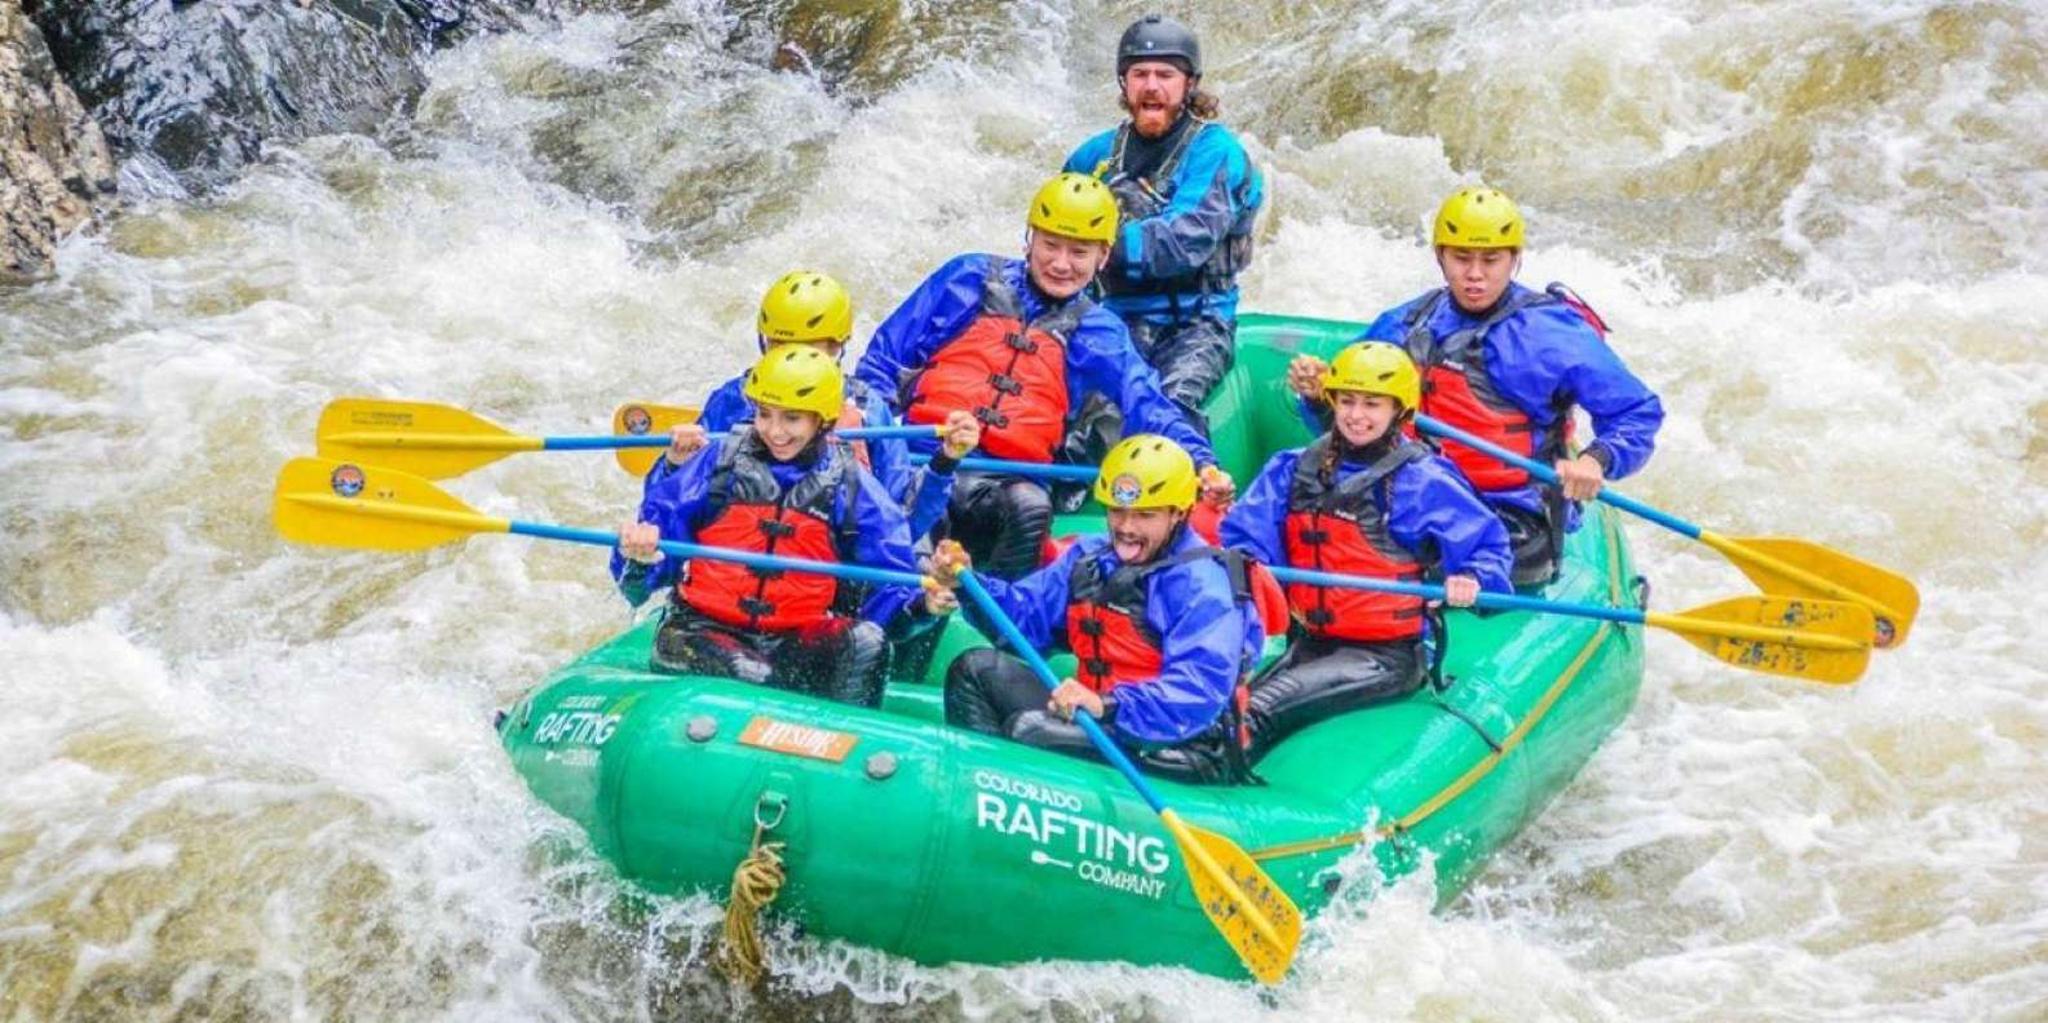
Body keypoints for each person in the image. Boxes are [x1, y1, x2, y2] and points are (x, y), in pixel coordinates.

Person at [855, 172, 1232, 580]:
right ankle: (910, 600)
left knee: (1031, 507)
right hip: (923, 459)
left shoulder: (1097, 331)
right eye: (1050, 245)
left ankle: (1000, 625)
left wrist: (1201, 462)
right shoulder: (967, 278)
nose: (1061, 263)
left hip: (1009, 482)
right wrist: (867, 434)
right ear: (1029, 238)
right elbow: (882, 363)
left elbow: (1146, 404)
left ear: (1102, 257)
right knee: (911, 508)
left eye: (1079, 252)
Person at [1288, 186, 1663, 587]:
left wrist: (1597, 459)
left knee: (1400, 563)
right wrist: (1318, 399)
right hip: (1415, 499)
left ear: (1515, 259)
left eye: (1491, 259)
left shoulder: (1551, 334)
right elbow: (1350, 432)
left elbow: (1637, 412)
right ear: (1440, 257)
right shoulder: (1405, 324)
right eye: (1461, 258)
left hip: (1509, 516)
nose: (1475, 274)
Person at [612, 346, 955, 708]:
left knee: (866, 642)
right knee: (750, 672)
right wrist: (641, 555)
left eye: (791, 419)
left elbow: (890, 574)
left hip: (795, 637)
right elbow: (656, 538)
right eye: (764, 414)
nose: (774, 431)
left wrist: (923, 604)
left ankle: (838, 749)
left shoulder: (850, 483)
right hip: (701, 630)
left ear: (821, 420)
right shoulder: (720, 463)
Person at [1225, 342, 1514, 758]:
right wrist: (1247, 572)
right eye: (1347, 401)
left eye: (1372, 404)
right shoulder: (1292, 467)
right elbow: (1244, 540)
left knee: (1259, 710)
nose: (1356, 416)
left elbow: (1488, 546)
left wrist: (1473, 578)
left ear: (1399, 411)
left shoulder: (1422, 481)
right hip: (1309, 639)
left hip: (1386, 655)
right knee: (1223, 702)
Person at [932, 434, 1263, 782]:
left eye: (1144, 516)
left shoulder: (1204, 584)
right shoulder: (1091, 558)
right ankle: (979, 799)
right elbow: (1025, 622)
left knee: (1032, 731)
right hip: (1102, 719)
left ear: (1178, 513)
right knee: (974, 670)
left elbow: (1198, 689)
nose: (1126, 528)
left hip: (1182, 743)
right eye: (1117, 512)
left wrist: (1108, 705)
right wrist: (969, 584)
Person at [647, 270, 974, 542]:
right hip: (740, 559)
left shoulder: (866, 409)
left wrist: (944, 461)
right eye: (778, 345)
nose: (792, 360)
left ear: (837, 347)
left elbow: (902, 518)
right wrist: (673, 464)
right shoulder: (734, 399)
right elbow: (670, 507)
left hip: (827, 572)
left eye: (807, 348)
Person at [1061, 13, 1263, 447]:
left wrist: (1095, 247)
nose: (1151, 85)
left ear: (1189, 84)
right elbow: (1048, 240)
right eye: (1139, 74)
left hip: (1194, 322)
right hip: (1112, 316)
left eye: (1165, 74)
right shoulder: (1091, 157)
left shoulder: (1218, 151)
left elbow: (1182, 242)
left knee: (1165, 416)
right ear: (1123, 83)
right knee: (1071, 419)